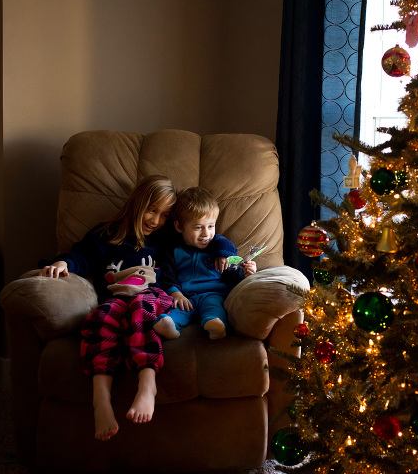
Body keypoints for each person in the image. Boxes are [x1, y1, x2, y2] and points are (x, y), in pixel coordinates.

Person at [38, 174, 177, 442]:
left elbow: (199, 242)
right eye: (152, 209)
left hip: (150, 296)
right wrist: (65, 263)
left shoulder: (163, 241)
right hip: (113, 299)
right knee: (100, 317)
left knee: (140, 305)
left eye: (164, 215)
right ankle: (100, 399)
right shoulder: (105, 235)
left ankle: (147, 385)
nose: (156, 220)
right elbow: (80, 255)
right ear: (137, 203)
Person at [154, 186, 256, 340]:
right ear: (179, 226)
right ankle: (170, 325)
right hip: (185, 296)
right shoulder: (172, 249)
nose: (206, 234)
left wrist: (244, 272)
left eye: (211, 226)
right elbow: (166, 274)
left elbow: (230, 269)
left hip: (212, 294)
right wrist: (176, 293)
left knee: (213, 307)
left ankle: (215, 324)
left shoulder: (217, 248)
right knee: (176, 311)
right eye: (198, 227)